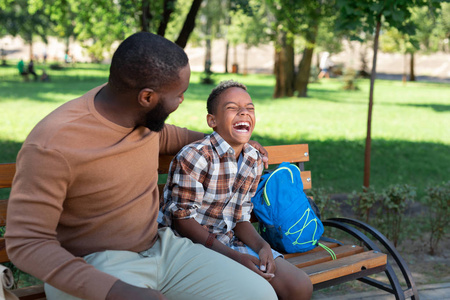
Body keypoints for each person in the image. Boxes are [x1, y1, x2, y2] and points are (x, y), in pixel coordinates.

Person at [5, 32, 275, 300]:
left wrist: (234, 141)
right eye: (179, 94)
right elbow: (27, 242)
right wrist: (116, 291)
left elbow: (173, 136)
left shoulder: (140, 117)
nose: (181, 101)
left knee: (259, 295)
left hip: (161, 248)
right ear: (147, 98)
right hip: (94, 267)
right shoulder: (53, 144)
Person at [160, 80, 313, 300]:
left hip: (228, 240)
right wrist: (233, 257)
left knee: (299, 287)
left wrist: (262, 246)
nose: (243, 112)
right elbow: (182, 221)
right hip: (187, 245)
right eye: (232, 108)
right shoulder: (196, 156)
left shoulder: (253, 158)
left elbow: (240, 218)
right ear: (212, 120)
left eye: (249, 108)